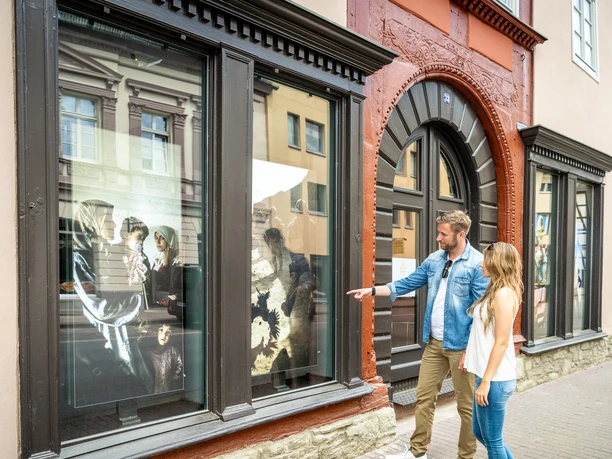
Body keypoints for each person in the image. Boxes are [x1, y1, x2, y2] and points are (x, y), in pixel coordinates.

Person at [347, 210, 489, 459]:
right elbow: (407, 282)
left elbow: (480, 311)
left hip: (461, 348)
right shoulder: (436, 259)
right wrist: (372, 290)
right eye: (439, 232)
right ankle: (417, 452)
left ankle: (466, 456)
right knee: (423, 399)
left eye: (443, 233)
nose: (438, 238)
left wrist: (470, 350)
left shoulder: (477, 264)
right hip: (434, 343)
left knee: (466, 407)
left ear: (460, 234)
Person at [462, 242, 522, 459]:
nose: (481, 264)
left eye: (486, 260)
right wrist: (467, 355)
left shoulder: (504, 294)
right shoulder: (494, 290)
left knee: (493, 441)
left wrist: (486, 381)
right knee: (481, 433)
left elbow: (502, 342)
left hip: (495, 379)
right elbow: (482, 333)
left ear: (497, 263)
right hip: (486, 375)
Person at [151, 225, 183, 320]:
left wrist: (165, 264)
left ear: (170, 239)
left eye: (162, 238)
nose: (158, 242)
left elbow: (169, 285)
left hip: (170, 307)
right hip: (158, 307)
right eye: (156, 238)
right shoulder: (157, 259)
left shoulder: (177, 260)